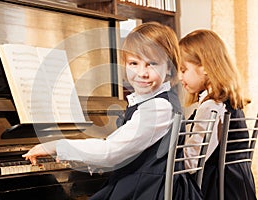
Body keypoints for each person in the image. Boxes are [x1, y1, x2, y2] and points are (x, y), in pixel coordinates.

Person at [23, 21, 202, 199]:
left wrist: (55, 146)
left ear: (169, 68)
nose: (142, 73)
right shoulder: (154, 102)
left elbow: (110, 152)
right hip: (144, 186)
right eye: (133, 63)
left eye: (152, 64)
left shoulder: (158, 107)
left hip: (147, 191)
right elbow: (116, 147)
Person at [178, 29, 256, 200]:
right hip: (238, 187)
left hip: (216, 190)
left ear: (205, 67)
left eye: (183, 70)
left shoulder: (211, 106)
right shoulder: (226, 103)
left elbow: (193, 163)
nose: (179, 76)